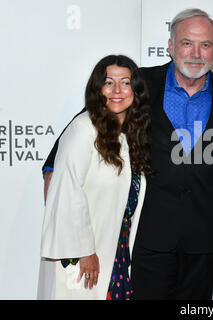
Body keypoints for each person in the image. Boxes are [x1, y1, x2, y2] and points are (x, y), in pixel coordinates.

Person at [42, 8, 213, 299]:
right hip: (148, 236)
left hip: (203, 238)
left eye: (206, 45)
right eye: (187, 43)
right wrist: (52, 172)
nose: (196, 53)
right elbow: (91, 117)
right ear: (171, 46)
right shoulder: (141, 85)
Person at [38, 55, 151, 299]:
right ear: (97, 89)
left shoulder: (133, 135)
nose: (117, 90)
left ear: (136, 90)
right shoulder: (83, 128)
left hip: (117, 254)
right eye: (109, 83)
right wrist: (84, 251)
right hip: (85, 258)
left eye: (126, 82)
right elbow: (66, 191)